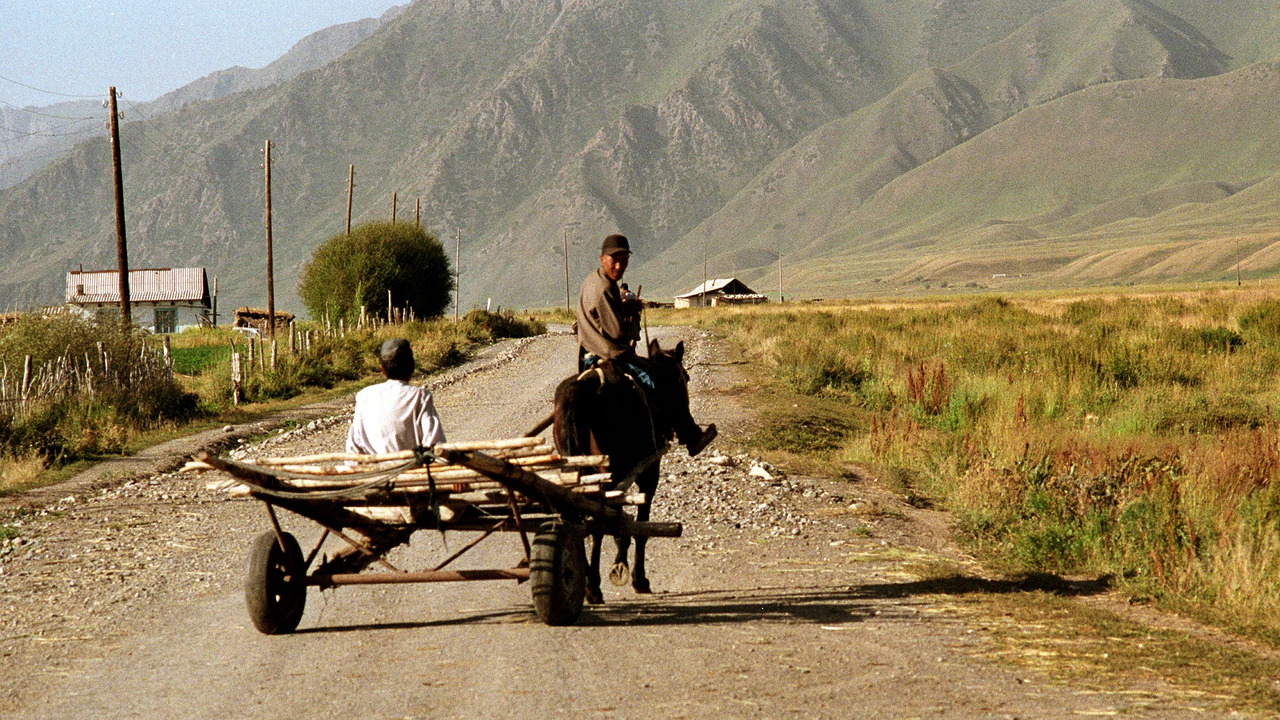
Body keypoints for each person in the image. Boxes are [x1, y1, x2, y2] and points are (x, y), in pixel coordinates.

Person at [575, 233, 715, 456]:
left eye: (624, 260)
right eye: (615, 260)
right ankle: (688, 435)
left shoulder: (592, 280)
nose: (620, 266)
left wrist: (624, 308)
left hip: (586, 354)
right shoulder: (606, 288)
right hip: (610, 353)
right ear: (602, 258)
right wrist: (629, 318)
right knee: (661, 378)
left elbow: (601, 314)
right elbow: (616, 332)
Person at [346, 338, 446, 454]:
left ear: (382, 369)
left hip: (375, 469)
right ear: (412, 368)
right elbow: (434, 441)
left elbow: (354, 445)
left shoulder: (364, 395)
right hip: (411, 468)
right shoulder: (419, 396)